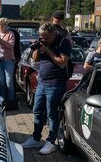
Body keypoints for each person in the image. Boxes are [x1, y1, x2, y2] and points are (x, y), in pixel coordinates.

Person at [22, 23, 72, 155]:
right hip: (42, 82)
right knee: (37, 110)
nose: (44, 39)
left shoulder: (63, 42)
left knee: (52, 114)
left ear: (53, 34)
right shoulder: (43, 42)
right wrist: (38, 48)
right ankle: (36, 138)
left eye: (46, 37)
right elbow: (35, 60)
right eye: (41, 37)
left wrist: (49, 51)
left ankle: (51, 142)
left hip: (56, 84)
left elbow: (62, 63)